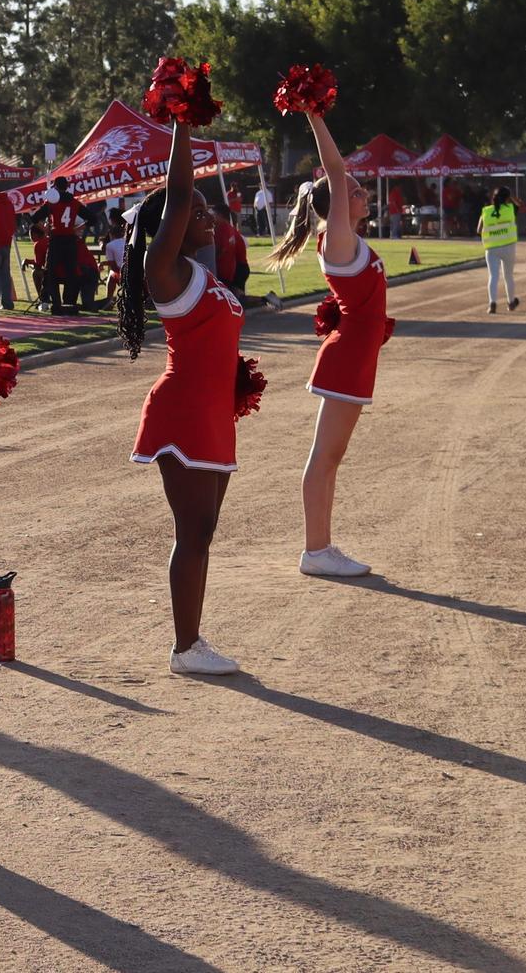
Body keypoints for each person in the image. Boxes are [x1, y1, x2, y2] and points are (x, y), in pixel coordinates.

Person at [119, 118, 245, 676]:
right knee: (193, 531)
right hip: (184, 413)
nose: (208, 217)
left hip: (211, 412)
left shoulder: (200, 273)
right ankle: (185, 648)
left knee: (205, 530)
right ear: (169, 224)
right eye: (195, 213)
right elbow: (178, 193)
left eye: (207, 210)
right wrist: (182, 123)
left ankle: (192, 641)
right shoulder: (164, 270)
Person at [266, 110, 393, 578]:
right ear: (337, 204)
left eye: (359, 191)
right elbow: (336, 170)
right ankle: (316, 550)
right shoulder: (336, 236)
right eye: (355, 191)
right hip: (346, 361)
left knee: (330, 456)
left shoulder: (347, 240)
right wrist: (314, 115)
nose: (360, 194)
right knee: (325, 456)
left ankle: (320, 546)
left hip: (354, 359)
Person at [29, 177, 99, 314]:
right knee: (71, 273)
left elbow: (34, 218)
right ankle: (69, 303)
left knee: (50, 272)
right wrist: (78, 228)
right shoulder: (74, 202)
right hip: (70, 241)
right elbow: (93, 218)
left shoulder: (51, 203)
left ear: (55, 187)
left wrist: (45, 230)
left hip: (56, 240)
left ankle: (53, 302)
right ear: (67, 187)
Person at [479, 186, 522, 314]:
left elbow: (478, 229)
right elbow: (520, 204)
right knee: (508, 276)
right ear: (508, 198)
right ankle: (511, 303)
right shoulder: (510, 209)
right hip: (508, 246)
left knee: (493, 276)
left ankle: (492, 303)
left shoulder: (486, 211)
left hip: (491, 248)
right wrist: (512, 196)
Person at [211, 203, 250, 301]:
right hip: (238, 267)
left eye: (213, 215)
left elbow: (222, 249)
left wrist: (212, 259)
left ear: (220, 215)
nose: (212, 217)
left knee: (236, 299)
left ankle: (265, 299)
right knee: (236, 298)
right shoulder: (229, 228)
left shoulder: (223, 228)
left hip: (238, 269)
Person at [101, 216, 127, 306]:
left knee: (112, 275)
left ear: (111, 235)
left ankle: (109, 300)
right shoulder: (127, 242)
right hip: (135, 272)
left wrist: (102, 264)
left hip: (122, 273)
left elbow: (113, 265)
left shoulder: (110, 245)